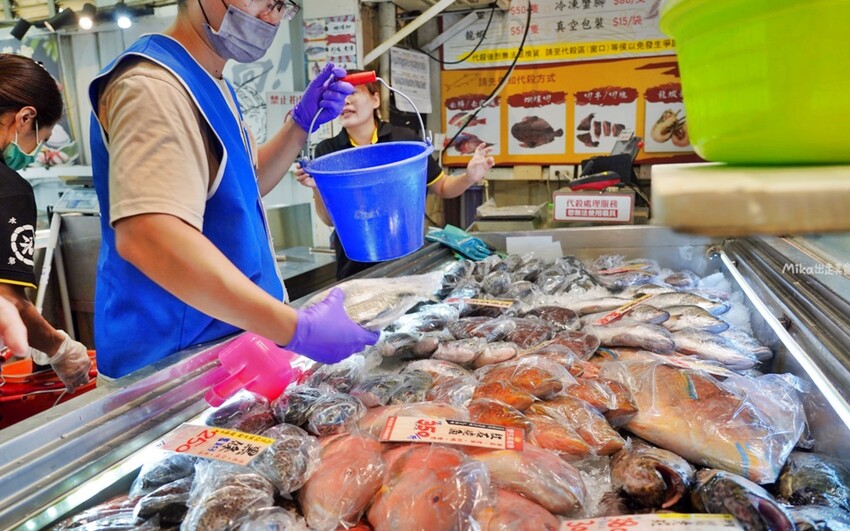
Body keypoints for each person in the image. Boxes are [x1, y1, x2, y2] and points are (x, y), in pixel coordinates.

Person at [88, 0, 378, 379]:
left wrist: (300, 124)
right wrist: (295, 328)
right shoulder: (153, 87)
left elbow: (244, 187)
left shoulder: (211, 80)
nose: (271, 17)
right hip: (171, 367)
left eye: (282, 5)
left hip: (222, 352)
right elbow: (148, 236)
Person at [295, 70, 496, 279]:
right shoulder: (328, 152)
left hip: (407, 257)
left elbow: (443, 187)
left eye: (353, 93)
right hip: (356, 263)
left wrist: (469, 177)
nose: (345, 102)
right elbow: (330, 219)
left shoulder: (404, 141)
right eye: (339, 97)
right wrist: (317, 186)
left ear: (375, 100)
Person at [0, 54, 92, 392]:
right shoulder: (9, 190)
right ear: (25, 117)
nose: (35, 150)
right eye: (40, 138)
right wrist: (59, 348)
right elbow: (6, 299)